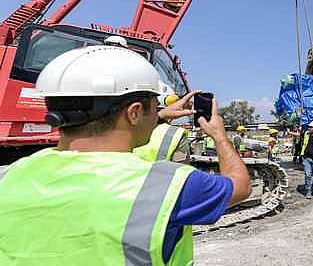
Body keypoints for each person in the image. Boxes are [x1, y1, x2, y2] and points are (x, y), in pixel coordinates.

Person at [0, 46, 251, 265]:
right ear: (134, 112)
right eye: (155, 106)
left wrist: (157, 115)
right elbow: (240, 186)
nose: (158, 112)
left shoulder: (9, 175)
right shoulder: (166, 186)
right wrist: (219, 135)